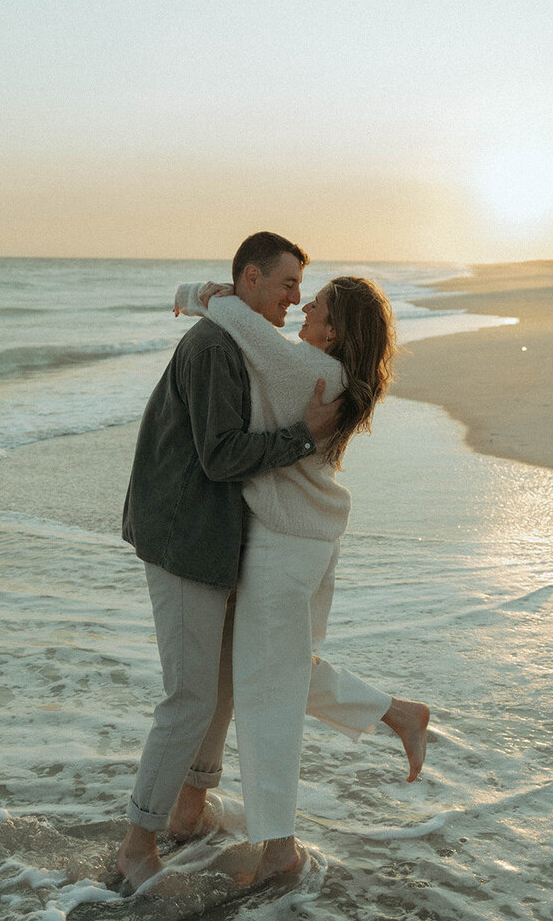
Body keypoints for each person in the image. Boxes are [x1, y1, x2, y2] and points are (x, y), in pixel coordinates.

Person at [173, 274, 430, 882]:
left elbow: (244, 326)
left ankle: (279, 849)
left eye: (317, 304)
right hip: (308, 540)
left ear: (333, 331)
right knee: (278, 671)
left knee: (265, 693)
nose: (304, 305)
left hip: (286, 544)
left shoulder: (308, 369)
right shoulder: (326, 373)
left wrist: (193, 293)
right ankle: (398, 714)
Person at [117, 232, 342, 889]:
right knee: (189, 697)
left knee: (218, 687)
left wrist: (197, 295)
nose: (295, 300)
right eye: (286, 285)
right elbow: (220, 456)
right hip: (184, 538)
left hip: (213, 540)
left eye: (304, 289)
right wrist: (307, 434)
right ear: (248, 280)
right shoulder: (217, 346)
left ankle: (188, 813)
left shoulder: (239, 335)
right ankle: (138, 846)